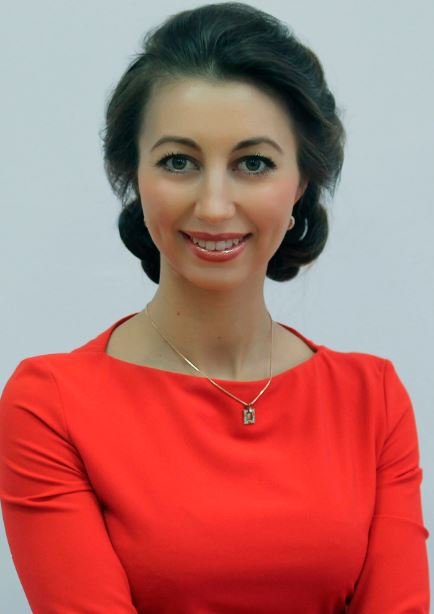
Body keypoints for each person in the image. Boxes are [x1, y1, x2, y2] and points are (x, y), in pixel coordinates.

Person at [0, 2, 430, 612]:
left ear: (301, 183)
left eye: (254, 163)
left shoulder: (372, 399)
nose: (214, 206)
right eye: (179, 162)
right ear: (134, 176)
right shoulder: (51, 406)